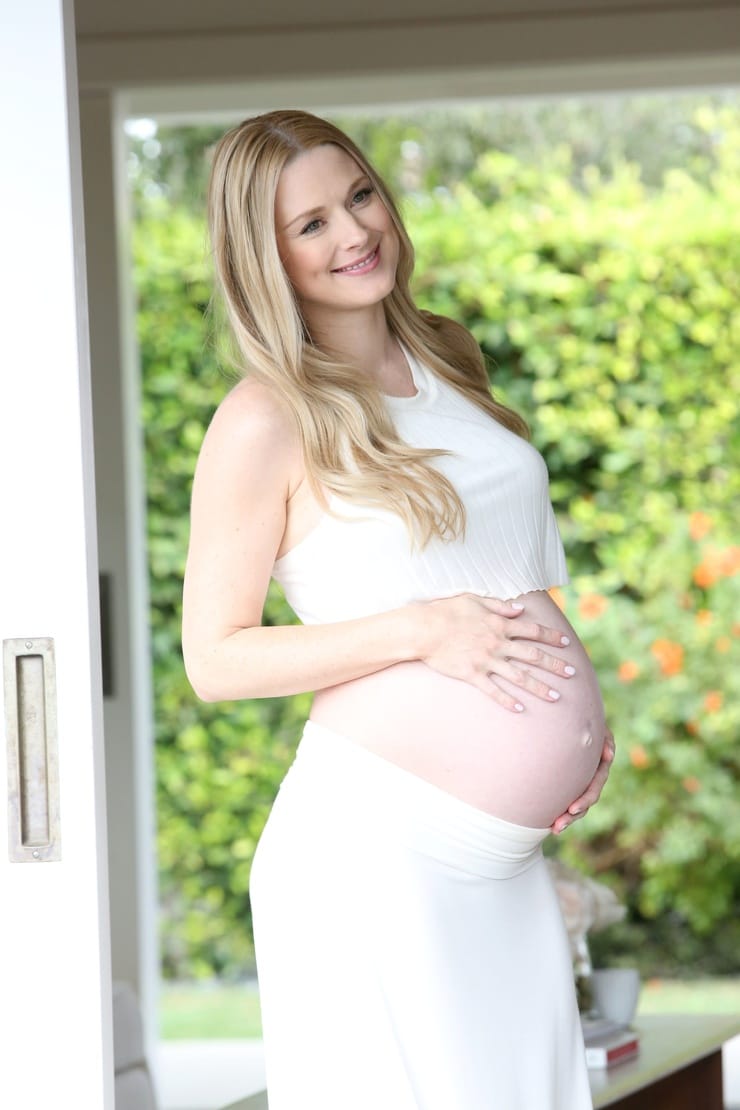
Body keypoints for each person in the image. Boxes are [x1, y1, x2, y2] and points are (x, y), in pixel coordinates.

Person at [182, 109, 616, 1110]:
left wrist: (582, 722)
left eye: (359, 196)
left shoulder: (448, 356)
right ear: (265, 260)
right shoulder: (261, 421)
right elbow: (215, 660)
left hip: (503, 871)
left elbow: (498, 565)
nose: (352, 234)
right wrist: (421, 632)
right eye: (309, 226)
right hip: (375, 857)